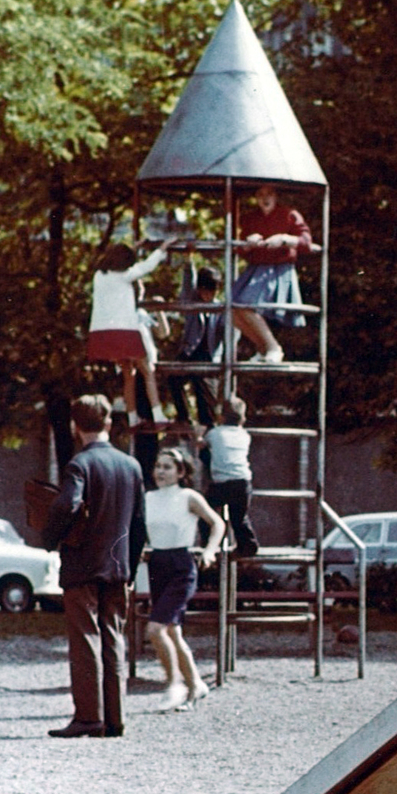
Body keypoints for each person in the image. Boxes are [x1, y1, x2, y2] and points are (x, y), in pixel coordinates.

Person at [42, 393, 148, 739]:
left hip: (82, 567)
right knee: (113, 638)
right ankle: (115, 719)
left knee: (86, 639)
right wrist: (130, 569)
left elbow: (67, 505)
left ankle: (89, 717)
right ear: (108, 423)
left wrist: (49, 537)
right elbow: (139, 525)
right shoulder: (131, 466)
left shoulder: (79, 465)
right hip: (118, 567)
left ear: (75, 427)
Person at [144, 448, 225, 710]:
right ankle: (196, 686)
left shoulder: (188, 496)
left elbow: (217, 523)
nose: (161, 472)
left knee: (155, 629)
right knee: (173, 632)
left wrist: (211, 549)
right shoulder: (148, 498)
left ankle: (173, 684)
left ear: (181, 472)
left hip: (181, 565)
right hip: (157, 564)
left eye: (167, 467)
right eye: (158, 466)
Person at [88, 243, 173, 429]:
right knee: (147, 371)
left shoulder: (99, 276)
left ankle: (132, 418)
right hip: (123, 331)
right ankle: (158, 415)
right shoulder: (126, 276)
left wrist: (135, 247)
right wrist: (163, 248)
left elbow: (118, 258)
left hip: (102, 333)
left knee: (128, 375)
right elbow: (147, 266)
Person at [226, 185, 311, 363]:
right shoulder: (251, 218)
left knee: (245, 305)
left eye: (269, 194)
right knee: (230, 309)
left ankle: (273, 347)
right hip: (256, 269)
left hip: (278, 269)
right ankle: (263, 348)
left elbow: (306, 242)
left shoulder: (289, 214)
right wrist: (248, 243)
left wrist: (285, 239)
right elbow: (241, 249)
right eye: (260, 195)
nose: (265, 198)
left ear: (276, 196)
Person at [166, 265, 222, 432]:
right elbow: (187, 283)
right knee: (173, 378)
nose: (209, 297)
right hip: (190, 352)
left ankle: (208, 429)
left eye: (213, 293)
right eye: (205, 292)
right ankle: (184, 417)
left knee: (205, 398)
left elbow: (228, 332)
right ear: (199, 290)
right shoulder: (192, 300)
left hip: (208, 355)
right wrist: (188, 261)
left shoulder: (220, 308)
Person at [205, 395, 259, 558]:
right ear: (242, 419)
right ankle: (248, 545)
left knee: (207, 511)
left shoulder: (214, 433)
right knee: (239, 518)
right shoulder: (245, 435)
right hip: (242, 482)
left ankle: (208, 542)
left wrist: (198, 437)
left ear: (221, 417)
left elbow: (203, 443)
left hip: (221, 483)